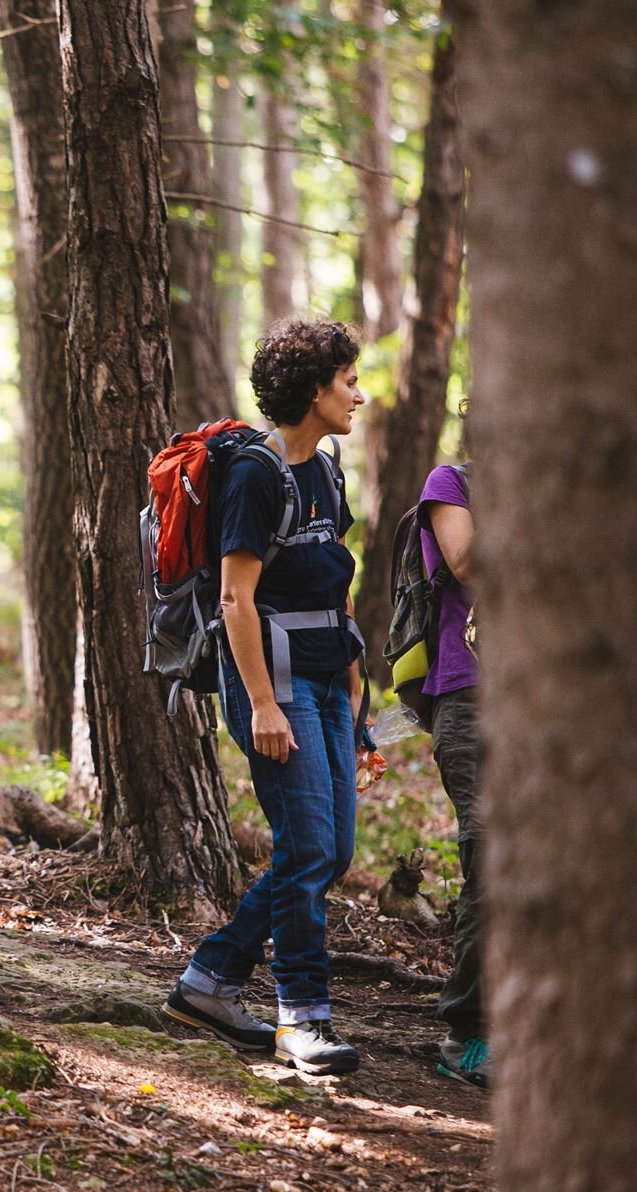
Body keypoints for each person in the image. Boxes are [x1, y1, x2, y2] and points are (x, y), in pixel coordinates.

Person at [162, 318, 369, 1076]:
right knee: (309, 846)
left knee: (331, 849)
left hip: (326, 674)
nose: (358, 394)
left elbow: (333, 580)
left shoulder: (329, 465)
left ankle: (210, 979)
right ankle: (301, 1018)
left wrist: (356, 687)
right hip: (273, 682)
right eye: (348, 381)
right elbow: (236, 599)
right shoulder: (256, 473)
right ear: (313, 390)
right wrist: (261, 704)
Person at [414, 452, 485, 1087]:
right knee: (492, 854)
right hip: (470, 699)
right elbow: (465, 564)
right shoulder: (451, 483)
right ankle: (469, 1031)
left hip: (551, 701)